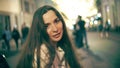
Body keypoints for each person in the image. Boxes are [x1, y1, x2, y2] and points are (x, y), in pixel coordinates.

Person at [17, 5, 81, 68]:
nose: (55, 29)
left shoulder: (60, 46)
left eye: (56, 21)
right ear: (39, 30)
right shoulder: (42, 54)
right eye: (47, 26)